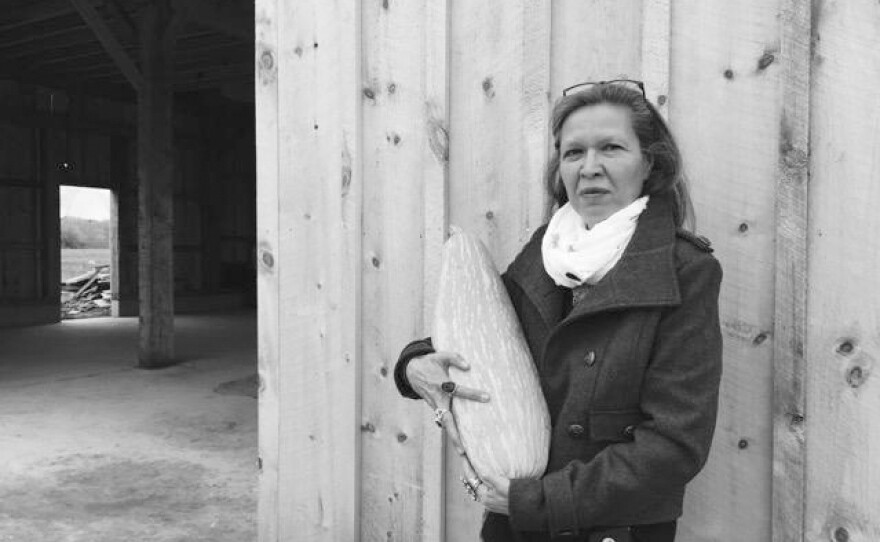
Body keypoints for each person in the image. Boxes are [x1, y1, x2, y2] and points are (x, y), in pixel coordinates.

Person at [394, 80, 723, 542]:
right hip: (516, 525)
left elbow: (674, 444)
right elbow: (486, 336)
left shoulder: (685, 270)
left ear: (649, 162)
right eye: (574, 153)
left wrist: (537, 500)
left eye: (611, 148)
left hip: (610, 529)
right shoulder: (545, 251)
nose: (590, 168)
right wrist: (415, 365)